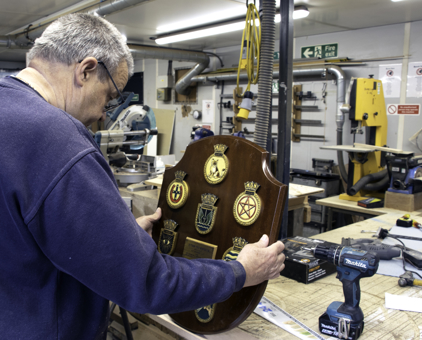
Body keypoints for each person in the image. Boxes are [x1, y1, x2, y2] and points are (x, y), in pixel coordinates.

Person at [0, 13, 285, 339]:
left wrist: (112, 237)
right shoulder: (57, 139)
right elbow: (146, 282)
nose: (102, 113)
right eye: (110, 96)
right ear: (86, 70)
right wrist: (239, 271)